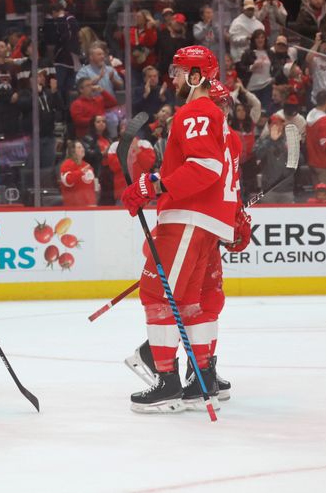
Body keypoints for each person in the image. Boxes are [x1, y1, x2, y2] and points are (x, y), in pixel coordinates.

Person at [120, 45, 236, 413]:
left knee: (157, 295)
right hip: (203, 222)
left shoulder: (195, 110)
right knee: (188, 303)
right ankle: (201, 380)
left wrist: (150, 184)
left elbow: (205, 168)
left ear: (196, 75)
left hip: (187, 217)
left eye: (179, 69)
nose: (172, 75)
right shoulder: (210, 116)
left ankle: (167, 382)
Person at [59, 140, 97, 206]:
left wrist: (93, 202)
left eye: (82, 147)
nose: (83, 149)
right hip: (74, 207)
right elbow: (67, 181)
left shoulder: (87, 165)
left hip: (90, 206)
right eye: (79, 147)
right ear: (73, 151)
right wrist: (80, 172)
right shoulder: (67, 164)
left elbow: (91, 188)